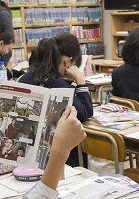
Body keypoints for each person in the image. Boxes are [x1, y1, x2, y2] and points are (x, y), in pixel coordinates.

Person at [17, 33, 93, 166]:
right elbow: (86, 112)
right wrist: (80, 80)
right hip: (56, 159)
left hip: (23, 149)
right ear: (67, 61)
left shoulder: (23, 78)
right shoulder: (59, 86)